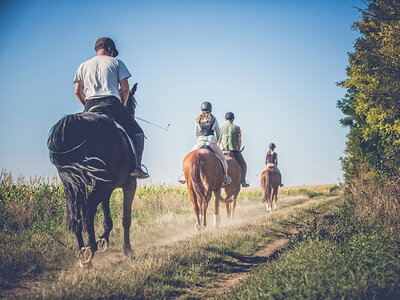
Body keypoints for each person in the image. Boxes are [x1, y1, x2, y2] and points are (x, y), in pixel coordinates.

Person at [73, 37, 149, 179]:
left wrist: (87, 106)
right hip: (111, 104)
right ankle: (137, 167)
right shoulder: (116, 62)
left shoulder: (83, 65)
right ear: (110, 49)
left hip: (90, 105)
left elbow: (78, 92)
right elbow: (125, 89)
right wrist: (123, 105)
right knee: (138, 133)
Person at [178, 101, 231, 185]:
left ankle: (184, 175)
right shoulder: (214, 119)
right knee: (223, 159)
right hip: (211, 142)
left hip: (200, 142)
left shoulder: (198, 119)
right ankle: (225, 177)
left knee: (187, 157)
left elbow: (196, 133)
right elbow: (218, 134)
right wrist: (216, 139)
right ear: (210, 109)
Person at [219, 112, 249, 187]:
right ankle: (243, 181)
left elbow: (218, 140)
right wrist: (239, 149)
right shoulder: (237, 128)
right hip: (234, 150)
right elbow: (239, 140)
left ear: (226, 119)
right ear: (233, 119)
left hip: (222, 151)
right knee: (243, 164)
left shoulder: (220, 128)